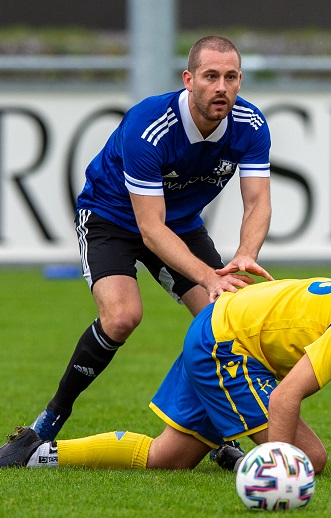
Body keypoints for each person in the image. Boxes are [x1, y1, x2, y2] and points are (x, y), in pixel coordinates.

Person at [0, 277, 331, 476]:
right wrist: (277, 477)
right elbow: (285, 398)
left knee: (168, 459)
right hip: (228, 345)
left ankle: (37, 453)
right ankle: (244, 459)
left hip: (227, 329)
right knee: (308, 459)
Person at [29, 35, 274, 442]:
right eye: (210, 76)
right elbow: (150, 229)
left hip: (180, 224)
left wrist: (246, 254)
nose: (221, 87)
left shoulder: (250, 125)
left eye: (230, 77)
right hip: (111, 218)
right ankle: (54, 413)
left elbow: (258, 202)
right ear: (188, 80)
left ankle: (215, 438)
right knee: (122, 317)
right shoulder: (150, 125)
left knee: (224, 324)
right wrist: (208, 276)